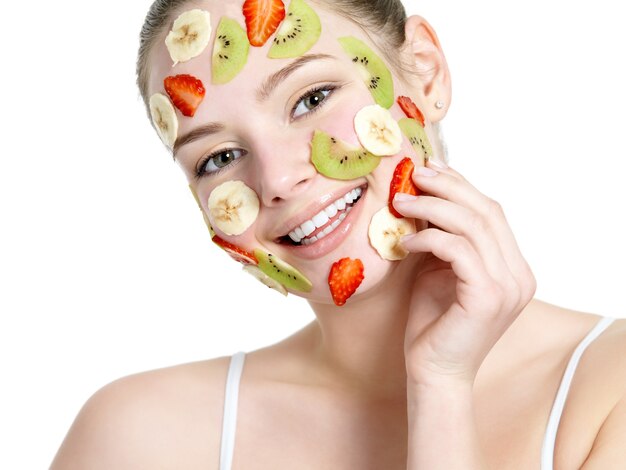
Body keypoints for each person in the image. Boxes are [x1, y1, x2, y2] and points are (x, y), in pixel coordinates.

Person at [50, 0, 626, 468]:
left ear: (425, 70)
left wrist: (441, 388)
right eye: (218, 157)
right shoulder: (136, 439)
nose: (276, 178)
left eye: (312, 98)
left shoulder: (610, 393)